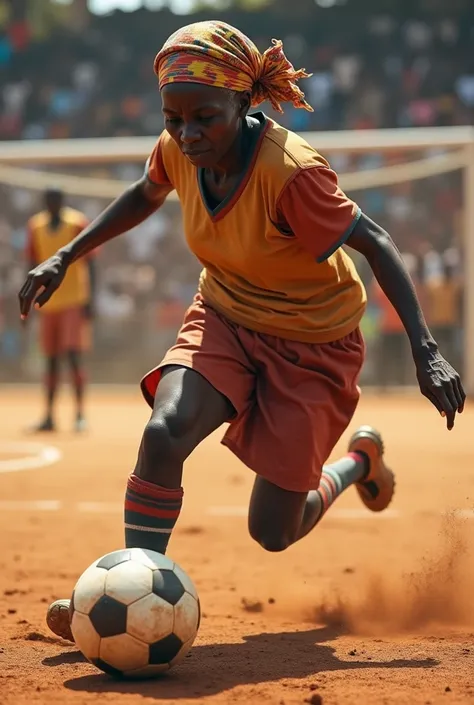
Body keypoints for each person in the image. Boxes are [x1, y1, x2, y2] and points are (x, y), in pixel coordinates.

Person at [18, 22, 465, 642]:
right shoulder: (178, 145)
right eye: (173, 118)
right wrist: (67, 254)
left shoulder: (293, 174)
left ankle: (358, 462)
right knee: (164, 432)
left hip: (313, 345)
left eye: (203, 117)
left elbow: (379, 245)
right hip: (226, 315)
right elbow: (146, 192)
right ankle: (130, 588)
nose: (185, 133)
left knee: (273, 532)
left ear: (244, 101)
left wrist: (426, 350)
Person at [24, 187, 95, 432]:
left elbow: (91, 262)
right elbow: (32, 264)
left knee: (73, 357)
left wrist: (90, 300)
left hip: (74, 299)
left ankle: (79, 414)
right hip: (48, 302)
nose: (52, 204)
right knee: (51, 360)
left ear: (62, 202)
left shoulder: (76, 223)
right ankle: (49, 416)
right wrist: (29, 296)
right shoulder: (36, 226)